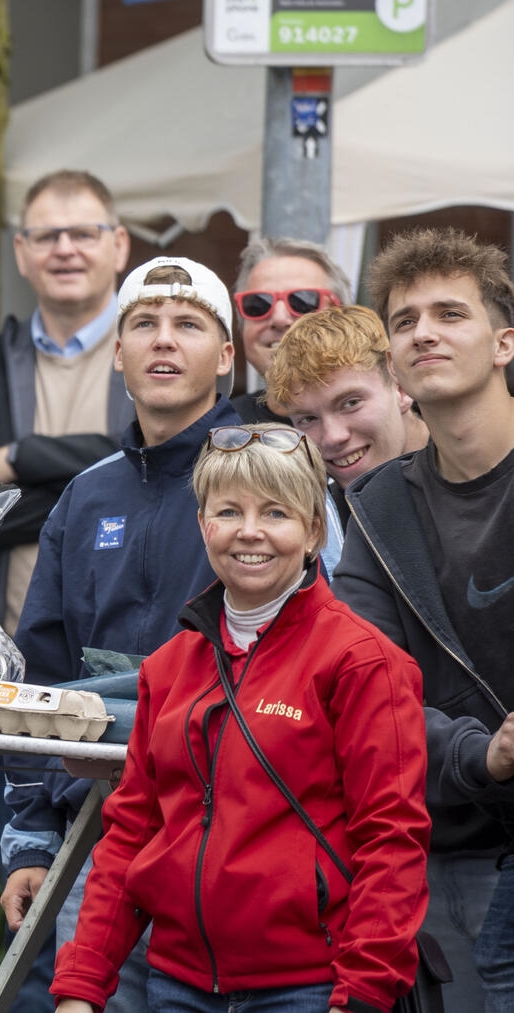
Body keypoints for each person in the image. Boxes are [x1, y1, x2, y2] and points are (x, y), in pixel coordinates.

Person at [51, 422, 430, 1013]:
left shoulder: (363, 662)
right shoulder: (169, 669)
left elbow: (392, 839)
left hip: (309, 988)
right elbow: (129, 834)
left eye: (276, 513)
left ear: (312, 532)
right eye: (229, 511)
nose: (249, 532)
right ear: (204, 526)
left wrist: (363, 992)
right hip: (176, 985)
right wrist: (80, 985)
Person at [0, 256, 241, 1012]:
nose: (164, 342)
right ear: (118, 351)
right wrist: (32, 837)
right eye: (144, 324)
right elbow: (40, 675)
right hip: (95, 840)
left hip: (231, 836)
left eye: (189, 326)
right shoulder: (85, 492)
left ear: (227, 355)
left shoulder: (265, 478)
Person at [0, 169, 133, 1008]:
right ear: (22, 252)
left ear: (119, 245)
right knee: (35, 909)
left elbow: (163, 459)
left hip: (138, 691)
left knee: (136, 919)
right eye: (47, 234)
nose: (66, 248)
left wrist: (23, 458)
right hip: (17, 687)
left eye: (84, 231)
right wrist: (93, 470)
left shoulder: (157, 344)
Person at [333, 227, 514, 1012]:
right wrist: (483, 755)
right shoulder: (378, 506)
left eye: (450, 313)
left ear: (505, 342)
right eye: (404, 322)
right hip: (440, 851)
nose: (424, 332)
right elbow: (368, 690)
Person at [264, 303, 428, 517]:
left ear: (401, 387)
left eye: (350, 403)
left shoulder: (476, 481)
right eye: (308, 419)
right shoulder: (318, 525)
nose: (333, 437)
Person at [230, 237, 352, 423]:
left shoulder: (388, 414)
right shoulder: (220, 430)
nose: (279, 319)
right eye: (258, 304)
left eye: (302, 301)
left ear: (342, 318)